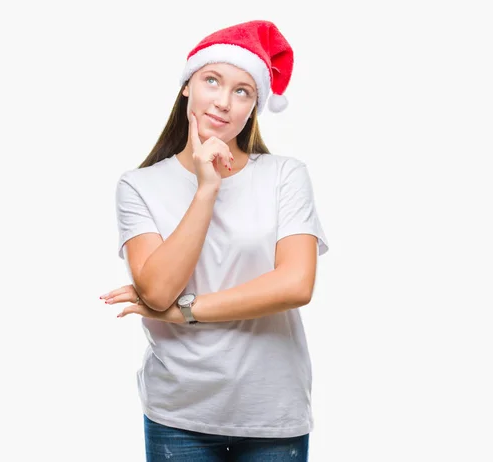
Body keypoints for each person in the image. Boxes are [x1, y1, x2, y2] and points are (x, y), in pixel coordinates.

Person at [100, 19, 330, 461]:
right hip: (179, 415)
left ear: (253, 107)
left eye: (242, 91)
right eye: (212, 81)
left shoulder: (284, 175)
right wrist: (207, 189)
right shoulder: (138, 186)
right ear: (188, 86)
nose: (223, 102)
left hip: (271, 412)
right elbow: (157, 289)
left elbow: (295, 285)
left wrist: (185, 311)